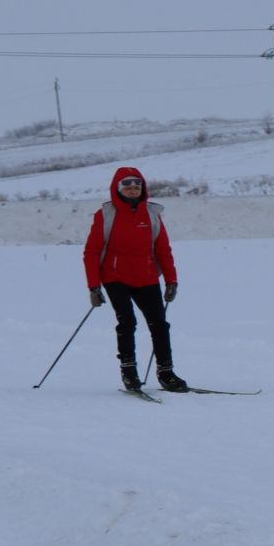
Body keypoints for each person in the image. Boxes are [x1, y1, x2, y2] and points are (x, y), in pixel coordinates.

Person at [84, 166, 187, 392]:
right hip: (115, 277)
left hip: (146, 276)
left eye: (137, 184)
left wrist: (172, 281)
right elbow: (91, 252)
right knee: (127, 322)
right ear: (118, 188)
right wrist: (93, 286)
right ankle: (129, 372)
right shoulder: (106, 215)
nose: (132, 188)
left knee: (159, 325)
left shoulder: (151, 214)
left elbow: (163, 250)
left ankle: (166, 373)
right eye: (127, 184)